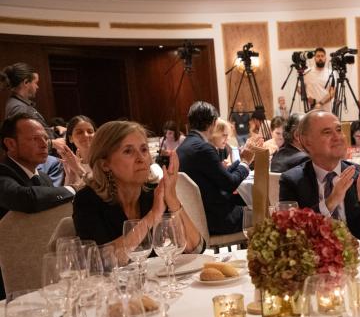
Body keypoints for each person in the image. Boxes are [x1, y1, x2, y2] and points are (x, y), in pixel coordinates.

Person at [73, 120, 202, 258]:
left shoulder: (153, 193)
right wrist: (153, 215)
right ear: (105, 164)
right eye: (128, 151)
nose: (141, 158)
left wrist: (172, 198)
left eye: (144, 150)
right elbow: (102, 261)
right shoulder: (87, 200)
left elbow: (194, 248)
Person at [278, 110, 360, 242]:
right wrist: (330, 202)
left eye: (338, 130)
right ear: (306, 141)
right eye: (327, 132)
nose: (338, 137)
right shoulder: (292, 181)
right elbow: (290, 233)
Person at [177, 101, 254, 235]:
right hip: (217, 220)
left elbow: (218, 176)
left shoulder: (183, 147)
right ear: (213, 123)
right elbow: (229, 184)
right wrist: (246, 163)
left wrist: (240, 162)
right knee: (263, 212)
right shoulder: (203, 148)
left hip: (195, 218)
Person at [1, 62, 67, 186]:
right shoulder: (18, 107)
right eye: (35, 82)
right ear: (26, 82)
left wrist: (53, 129)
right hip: (35, 161)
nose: (37, 87)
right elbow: (23, 139)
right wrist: (53, 143)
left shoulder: (20, 104)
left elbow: (31, 130)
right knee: (56, 163)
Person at [0, 113, 76, 220]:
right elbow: (26, 199)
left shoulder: (44, 178)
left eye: (45, 138)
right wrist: (73, 188)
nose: (44, 144)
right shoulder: (3, 173)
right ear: (11, 144)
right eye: (35, 138)